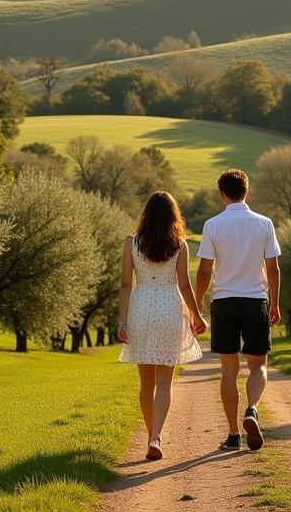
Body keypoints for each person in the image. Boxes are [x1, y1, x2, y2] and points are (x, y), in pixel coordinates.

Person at [195, 168, 281, 452]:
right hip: (255, 300)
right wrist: (275, 303)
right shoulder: (264, 223)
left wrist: (196, 305)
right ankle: (252, 409)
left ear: (222, 194)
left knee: (228, 371)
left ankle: (233, 435)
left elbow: (205, 272)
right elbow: (273, 268)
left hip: (224, 302)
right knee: (258, 365)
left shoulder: (212, 225)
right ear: (247, 191)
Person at [117, 191, 206, 461]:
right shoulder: (180, 245)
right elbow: (184, 285)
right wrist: (197, 315)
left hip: (141, 308)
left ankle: (150, 436)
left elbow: (125, 284)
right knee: (165, 381)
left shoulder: (131, 243)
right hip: (169, 308)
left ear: (146, 214)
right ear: (173, 217)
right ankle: (156, 435)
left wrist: (122, 320)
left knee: (146, 383)